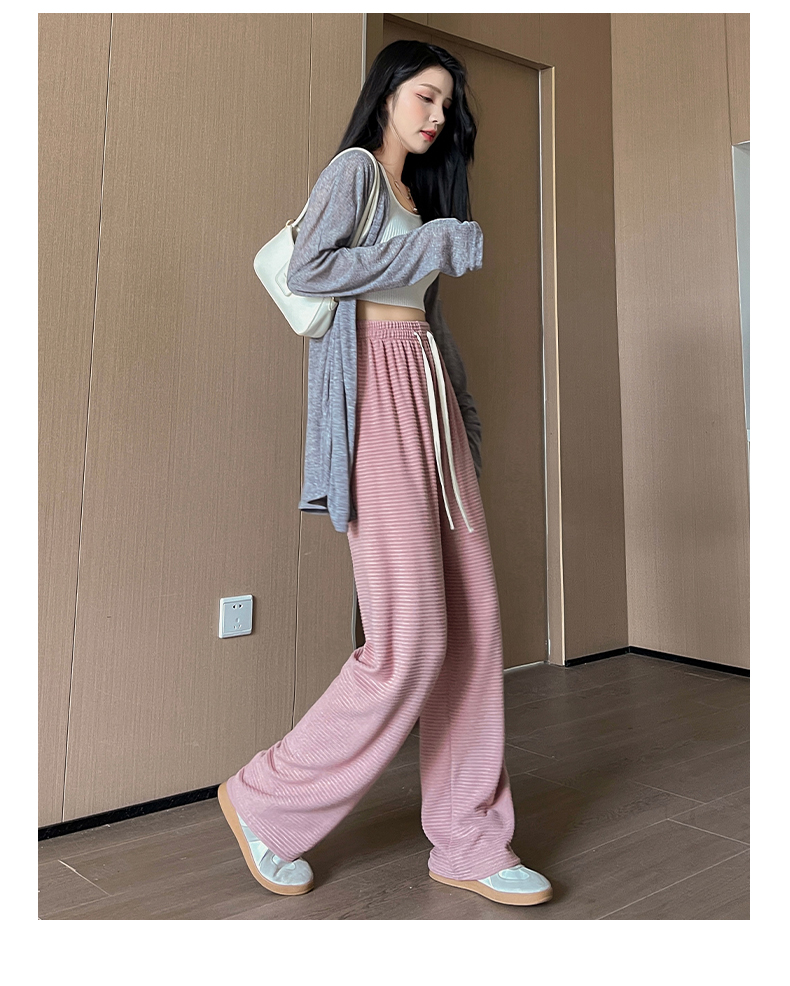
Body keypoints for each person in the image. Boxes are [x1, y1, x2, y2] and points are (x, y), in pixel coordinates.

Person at [218, 39, 553, 908]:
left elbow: (427, 324)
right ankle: (266, 799)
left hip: (431, 410)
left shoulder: (417, 197)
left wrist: (464, 428)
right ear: (388, 94)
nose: (437, 116)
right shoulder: (356, 173)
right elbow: (310, 269)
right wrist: (429, 244)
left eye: (447, 104)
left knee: (473, 629)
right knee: (411, 640)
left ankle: (470, 839)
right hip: (375, 406)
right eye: (424, 96)